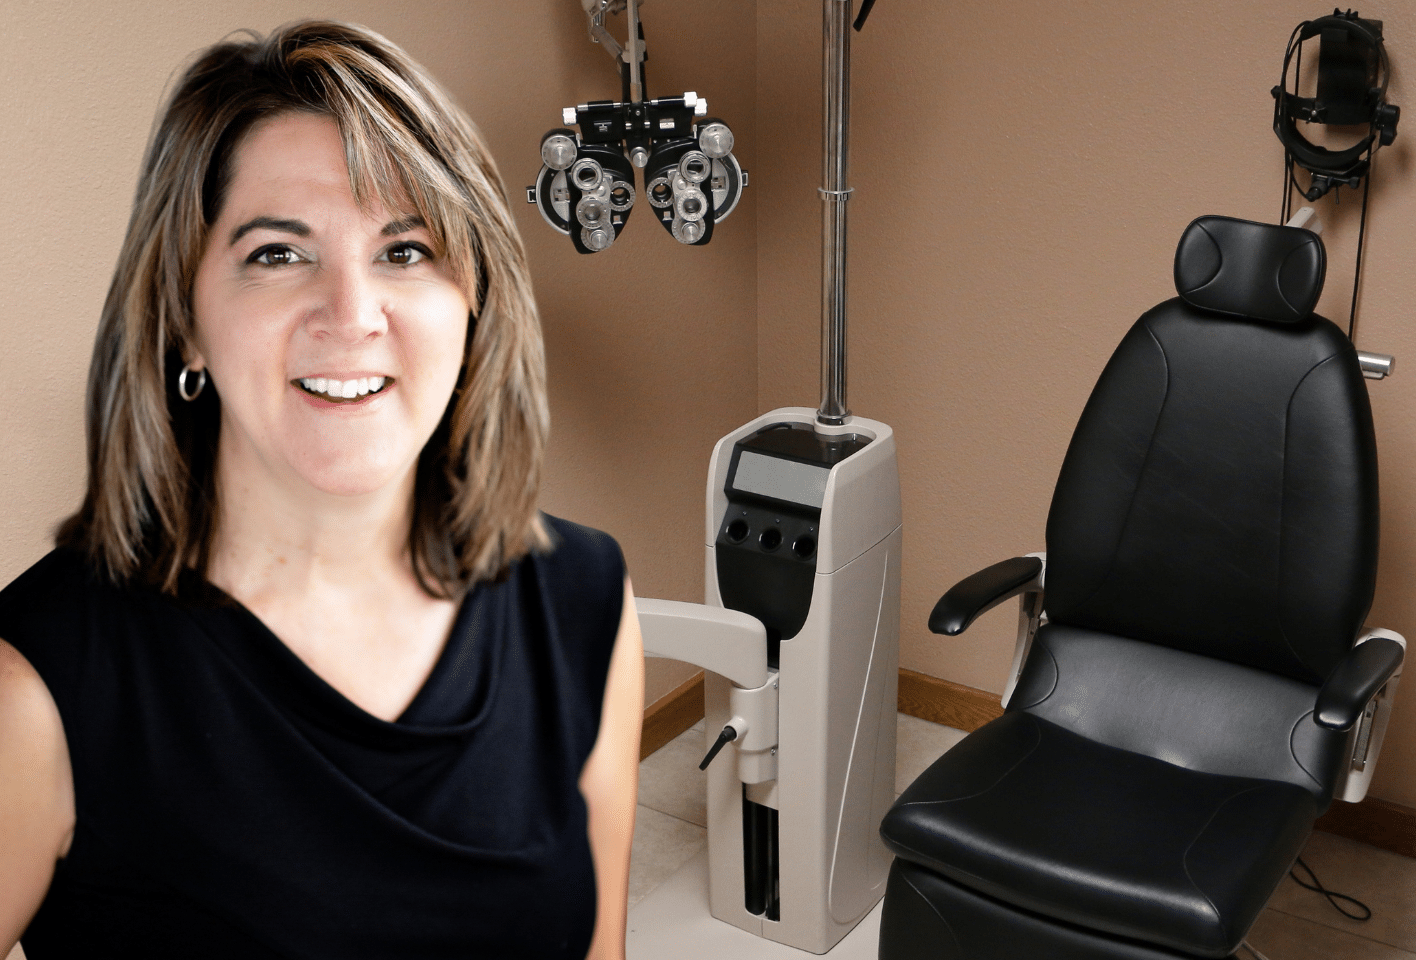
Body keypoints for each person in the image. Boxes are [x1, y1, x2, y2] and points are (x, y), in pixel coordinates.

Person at [0, 19, 643, 960]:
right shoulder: (40, 686)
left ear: (474, 301)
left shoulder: (583, 596)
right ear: (183, 316)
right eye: (276, 252)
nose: (351, 315)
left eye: (406, 250)